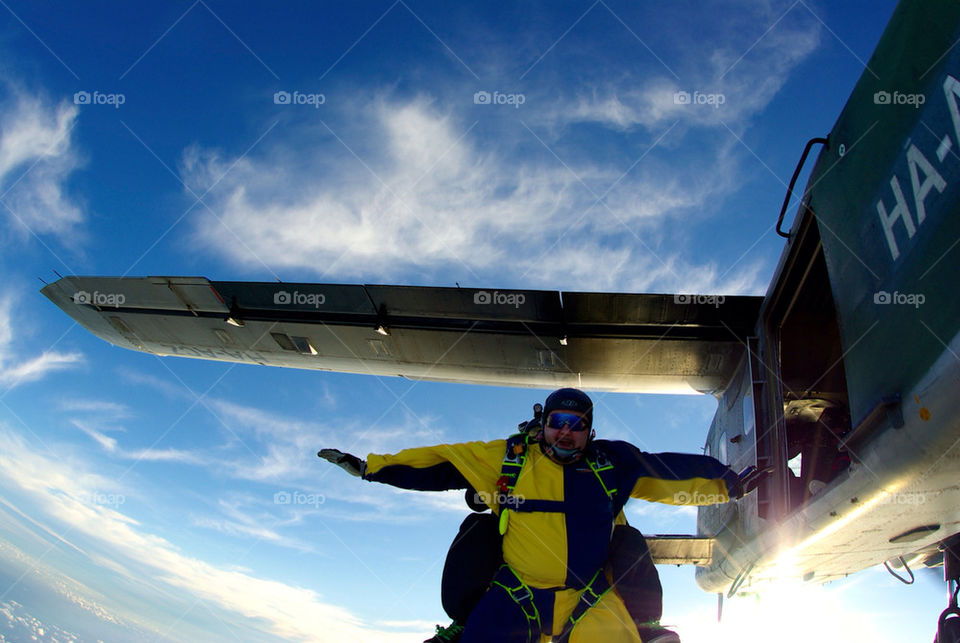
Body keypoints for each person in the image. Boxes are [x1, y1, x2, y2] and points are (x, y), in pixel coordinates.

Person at [319, 388, 764, 642]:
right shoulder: (510, 457)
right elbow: (443, 464)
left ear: (590, 430)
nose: (566, 433)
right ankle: (463, 627)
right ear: (544, 422)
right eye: (558, 422)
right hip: (517, 594)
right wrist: (372, 469)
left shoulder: (612, 463)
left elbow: (667, 472)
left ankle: (645, 629)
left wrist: (728, 482)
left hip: (589, 598)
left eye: (577, 425)